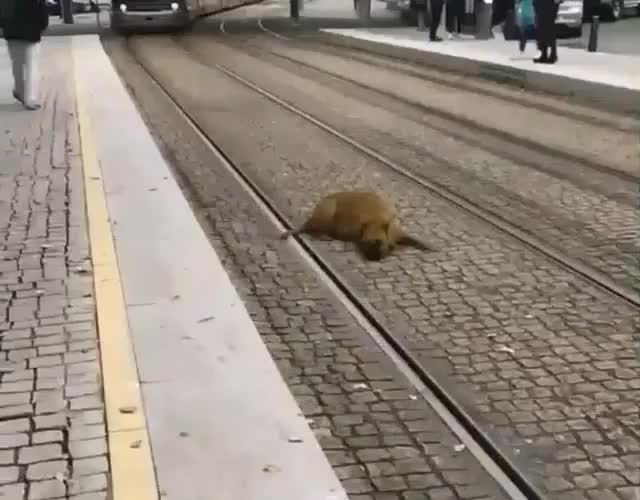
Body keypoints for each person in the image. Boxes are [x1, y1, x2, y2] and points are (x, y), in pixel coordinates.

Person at [2, 0, 49, 110]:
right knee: (31, 65)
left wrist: (3, 25)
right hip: (31, 29)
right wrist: (43, 25)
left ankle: (20, 90)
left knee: (17, 63)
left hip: (11, 29)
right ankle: (30, 98)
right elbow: (41, 7)